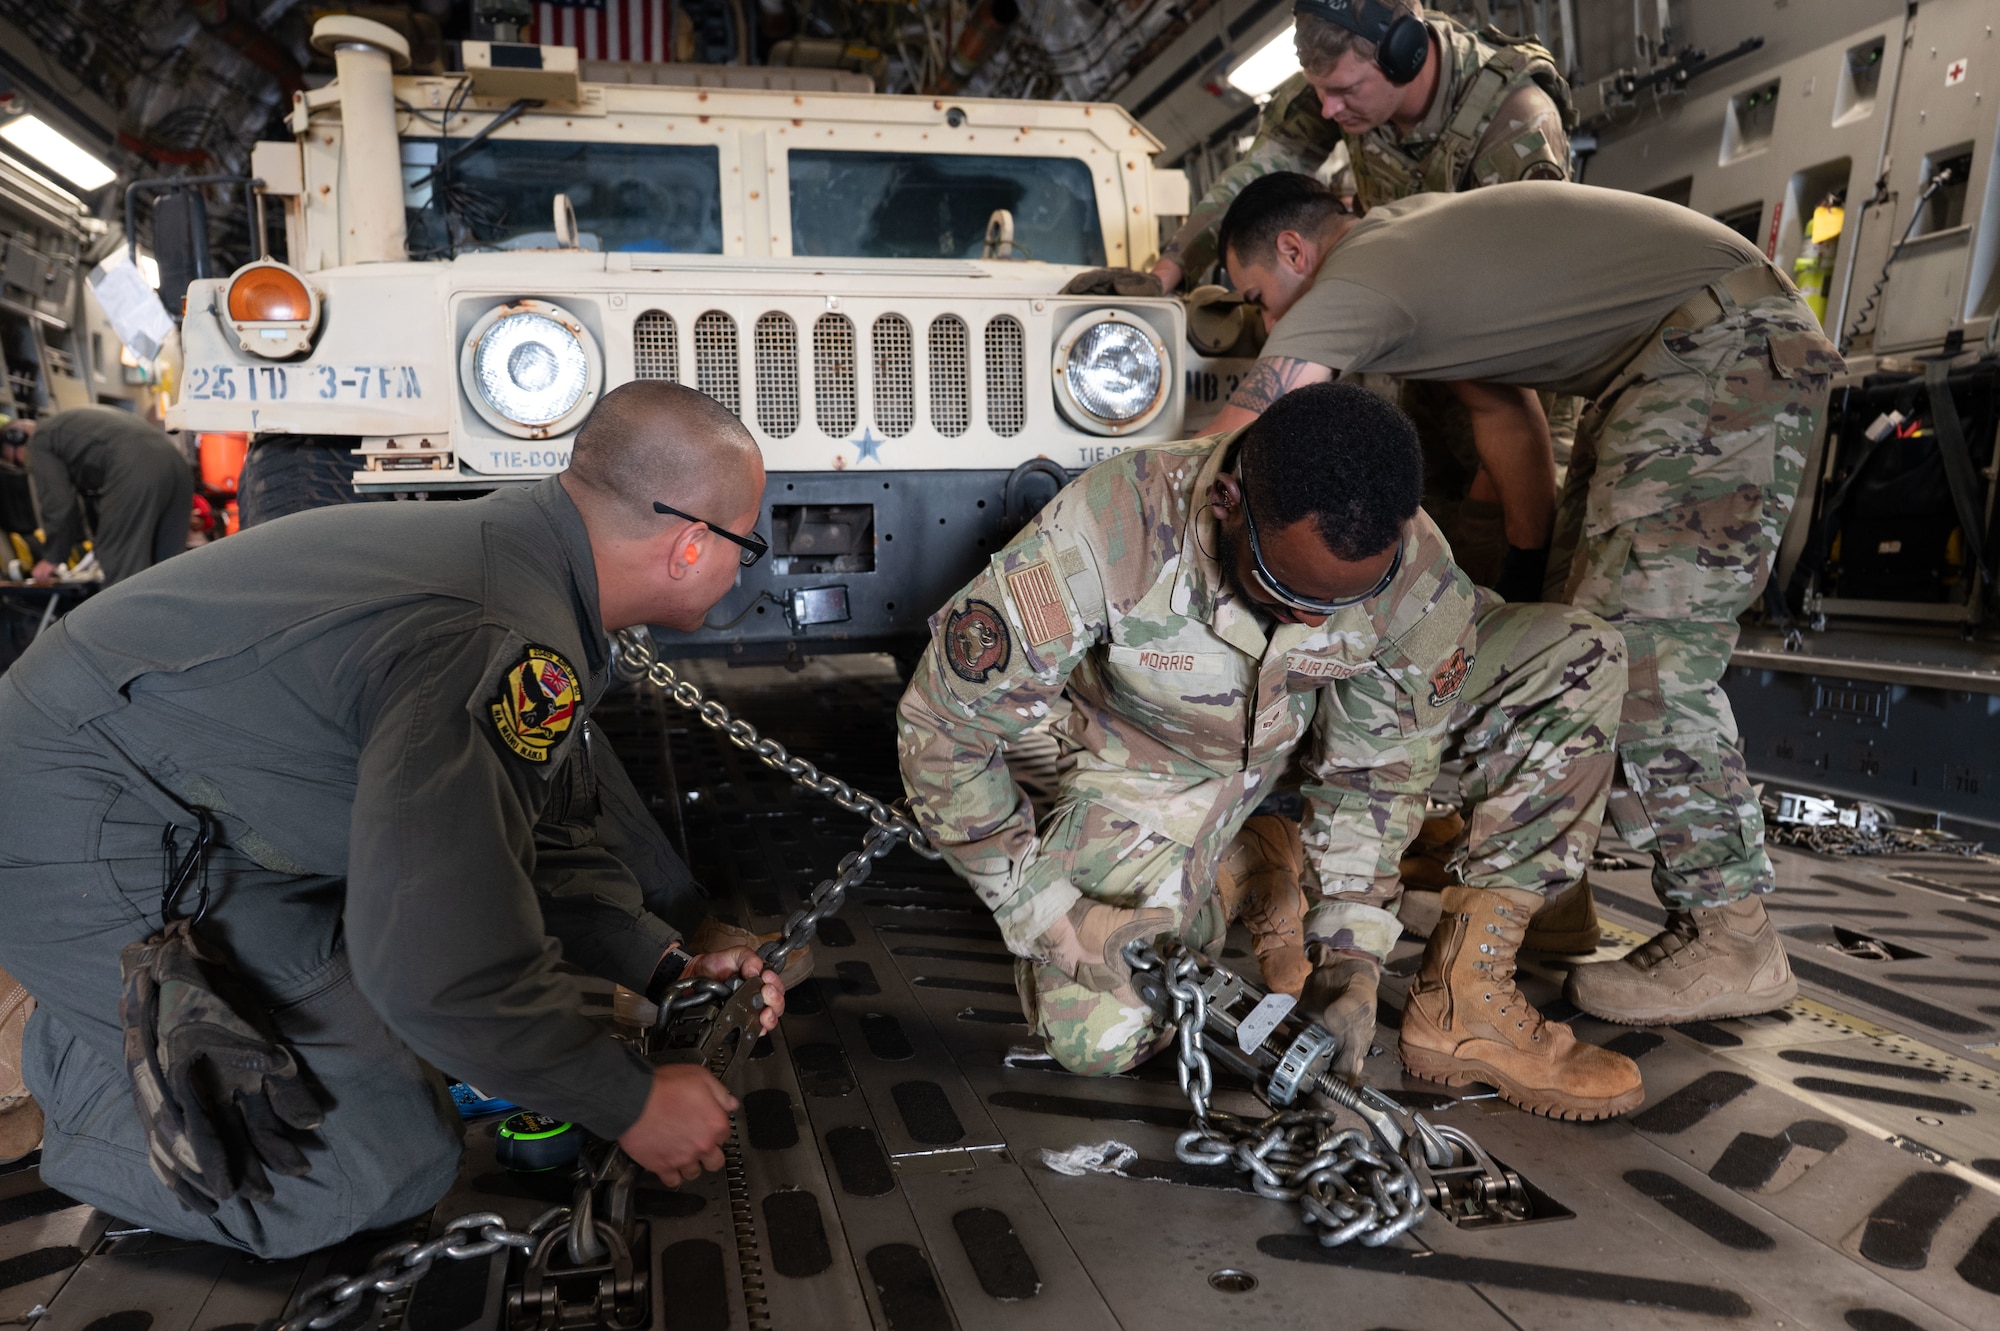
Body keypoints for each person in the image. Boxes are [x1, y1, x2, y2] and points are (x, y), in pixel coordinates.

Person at [0, 380, 786, 1257]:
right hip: (83, 817)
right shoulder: (501, 630)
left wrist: (667, 963)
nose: (743, 567)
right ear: (688, 546)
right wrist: (627, 1101)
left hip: (187, 797)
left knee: (423, 1049)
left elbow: (526, 837)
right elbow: (433, 957)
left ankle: (102, 1002)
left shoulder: (532, 573)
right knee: (374, 1163)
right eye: (744, 544)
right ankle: (84, 1067)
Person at [898, 383, 1643, 1120]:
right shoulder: (1112, 523)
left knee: (1578, 655)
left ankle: (1464, 994)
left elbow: (1377, 772)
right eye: (1288, 593)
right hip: (1162, 762)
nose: (1309, 621)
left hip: (1310, 742)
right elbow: (944, 726)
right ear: (1227, 501)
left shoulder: (1415, 571)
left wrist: (1352, 957)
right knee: (1095, 1038)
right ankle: (1246, 856)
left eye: (1338, 604)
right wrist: (1057, 917)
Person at [1208, 174, 1843, 1026]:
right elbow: (1508, 418)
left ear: (1293, 250)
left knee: (1642, 651)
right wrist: (1528, 584)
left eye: (1257, 298)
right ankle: (1558, 895)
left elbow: (1245, 431)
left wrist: (1114, 522)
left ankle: (1733, 932)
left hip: (1715, 350)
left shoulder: (1358, 274)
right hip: (1672, 359)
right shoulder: (1414, 259)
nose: (1266, 320)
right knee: (1576, 640)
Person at [1152, 0, 1570, 292]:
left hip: (1500, 364)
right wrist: (1168, 271)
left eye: (1345, 90)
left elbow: (1544, 286)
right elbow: (1254, 176)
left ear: (1406, 56)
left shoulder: (1516, 122)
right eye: (1319, 90)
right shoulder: (1339, 79)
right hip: (1406, 332)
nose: (1328, 109)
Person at [3, 406, 195, 585]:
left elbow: (58, 503)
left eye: (16, 461)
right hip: (177, 465)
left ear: (16, 439)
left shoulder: (40, 441)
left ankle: (126, 621)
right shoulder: (65, 427)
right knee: (169, 567)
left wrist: (53, 558)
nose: (25, 466)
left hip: (134, 469)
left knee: (122, 569)